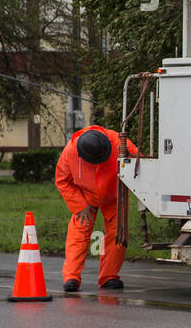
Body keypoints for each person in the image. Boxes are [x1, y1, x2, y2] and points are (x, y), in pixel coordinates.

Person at [54, 125, 139, 292]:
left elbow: (140, 162)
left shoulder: (120, 142)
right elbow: (62, 181)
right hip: (85, 197)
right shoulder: (70, 152)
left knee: (118, 234)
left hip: (114, 195)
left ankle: (109, 276)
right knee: (79, 234)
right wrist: (80, 205)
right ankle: (71, 277)